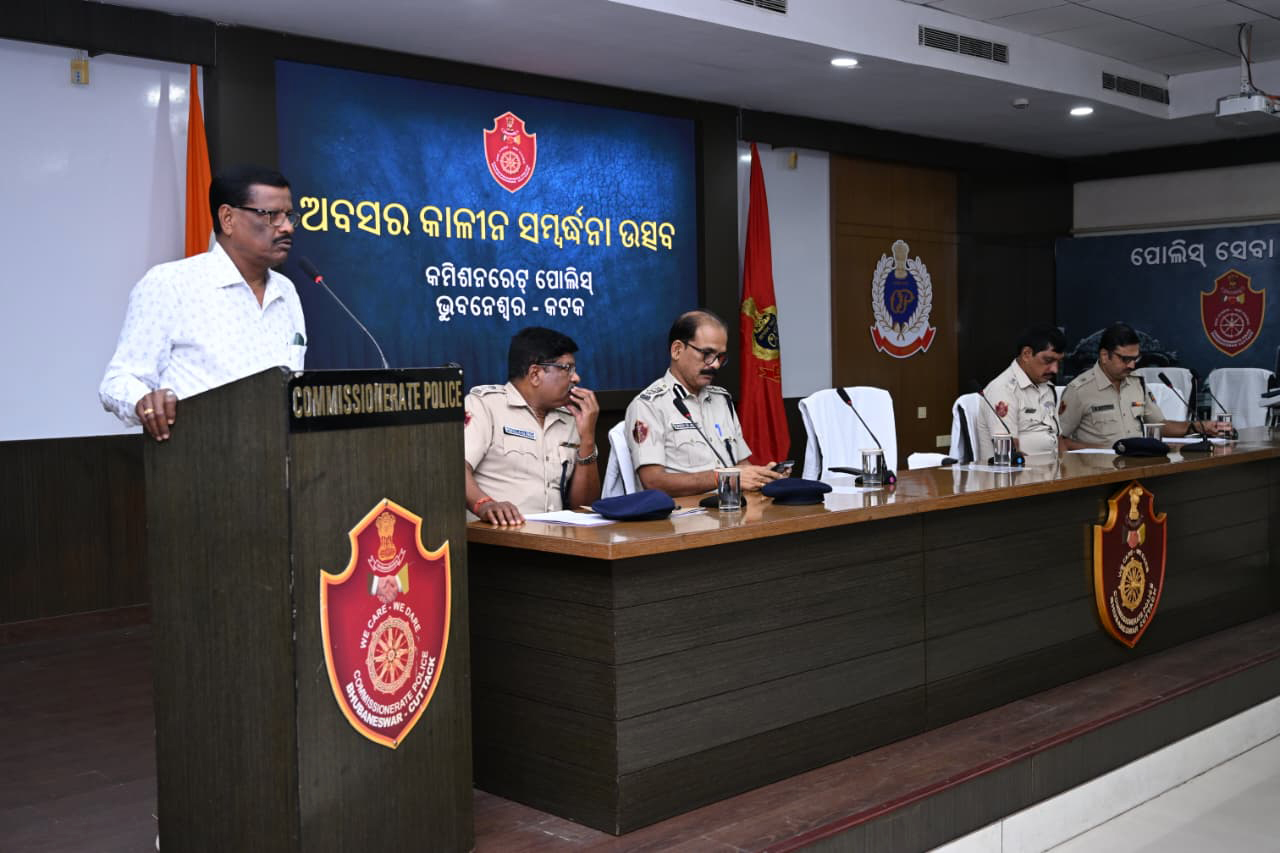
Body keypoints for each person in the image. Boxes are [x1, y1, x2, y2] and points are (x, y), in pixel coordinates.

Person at [99, 165, 306, 441]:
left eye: (289, 216)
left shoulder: (286, 291)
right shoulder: (170, 284)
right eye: (271, 216)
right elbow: (118, 381)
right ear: (228, 218)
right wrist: (144, 402)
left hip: (279, 454)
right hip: (200, 454)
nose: (287, 227)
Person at [625, 310, 783, 497]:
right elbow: (653, 482)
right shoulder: (649, 405)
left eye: (720, 357)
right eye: (707, 354)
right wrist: (723, 478)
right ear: (677, 350)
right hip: (683, 512)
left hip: (732, 506)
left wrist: (764, 476)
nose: (715, 364)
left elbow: (742, 465)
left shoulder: (722, 400)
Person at [464, 326, 601, 526]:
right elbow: (455, 469)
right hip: (497, 536)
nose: (576, 378)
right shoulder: (485, 406)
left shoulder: (572, 418)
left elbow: (585, 507)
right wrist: (484, 504)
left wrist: (587, 438)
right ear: (535, 374)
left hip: (557, 539)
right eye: (568, 368)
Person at [1059, 322, 1231, 447]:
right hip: (1097, 471)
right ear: (1105, 356)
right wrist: (1099, 450)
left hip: (1137, 466)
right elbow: (1060, 440)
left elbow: (1160, 426)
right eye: (1125, 359)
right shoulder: (1079, 390)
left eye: (1135, 359)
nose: (1132, 365)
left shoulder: (1137, 383)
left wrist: (1200, 427)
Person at [976, 324, 1066, 461]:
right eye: (1048, 360)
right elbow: (1008, 454)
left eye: (1059, 362)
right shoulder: (1003, 389)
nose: (1055, 369)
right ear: (1026, 354)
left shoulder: (1048, 388)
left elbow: (1058, 440)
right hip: (1018, 471)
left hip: (1052, 469)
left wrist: (1069, 468)